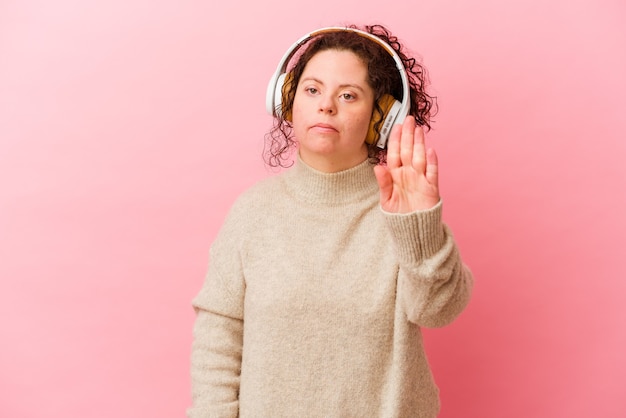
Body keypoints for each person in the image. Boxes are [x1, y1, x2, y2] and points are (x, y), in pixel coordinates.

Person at [188, 24, 473, 418]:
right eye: (312, 89)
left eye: (348, 95)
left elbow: (438, 311)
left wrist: (419, 228)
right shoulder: (253, 212)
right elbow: (218, 338)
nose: (326, 105)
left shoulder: (402, 212)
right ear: (286, 99)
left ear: (381, 118)